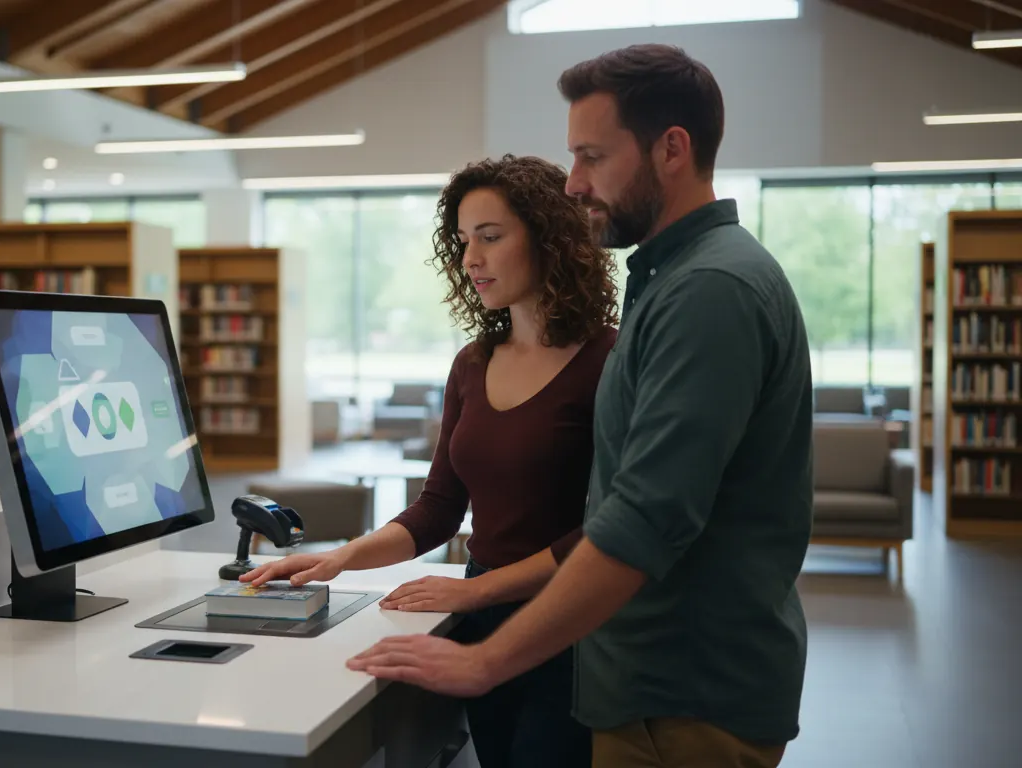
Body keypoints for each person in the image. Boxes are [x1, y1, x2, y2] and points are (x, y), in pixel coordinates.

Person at [346, 44, 814, 768]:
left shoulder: (709, 291)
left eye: (592, 156)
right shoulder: (668, 281)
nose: (575, 183)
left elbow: (643, 518)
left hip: (684, 693)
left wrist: (485, 657)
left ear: (671, 149)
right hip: (641, 679)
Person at [241, 154, 619, 768]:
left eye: (491, 238)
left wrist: (475, 593)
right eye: (464, 241)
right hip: (479, 614)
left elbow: (607, 531)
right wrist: (342, 558)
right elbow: (439, 509)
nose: (472, 258)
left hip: (572, 629)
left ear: (551, 240)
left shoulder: (611, 358)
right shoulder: (473, 362)